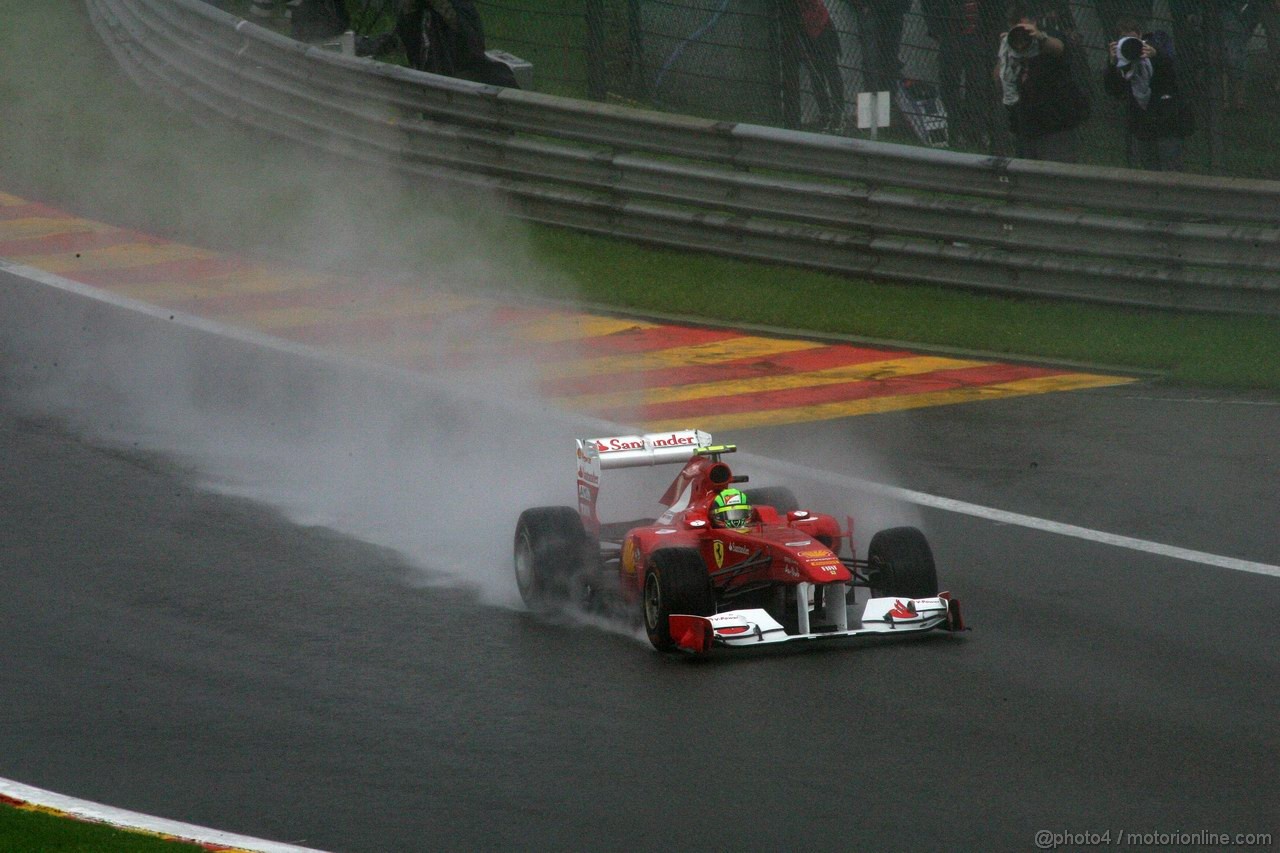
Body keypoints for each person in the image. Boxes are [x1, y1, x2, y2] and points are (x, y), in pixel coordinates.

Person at [995, 3, 1090, 162]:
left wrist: (1039, 37)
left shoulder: (1050, 36)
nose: (1021, 33)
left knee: (1057, 175)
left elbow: (1059, 47)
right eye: (1015, 28)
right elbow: (999, 82)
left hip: (1056, 125)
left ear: (1034, 22)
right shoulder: (1012, 45)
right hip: (1024, 124)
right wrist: (1005, 54)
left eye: (1023, 27)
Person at [1103, 18, 1193, 170]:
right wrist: (1113, 63)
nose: (1130, 44)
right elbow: (1114, 90)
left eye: (1133, 39)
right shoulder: (1122, 62)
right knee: (1149, 169)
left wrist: (1156, 55)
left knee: (1172, 168)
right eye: (1124, 40)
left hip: (1167, 121)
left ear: (1140, 36)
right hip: (1143, 123)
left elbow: (1173, 77)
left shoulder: (1155, 49)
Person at [920, 0, 1005, 150]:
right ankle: (954, 129)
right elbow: (928, 6)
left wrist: (992, 32)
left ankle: (974, 132)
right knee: (950, 84)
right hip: (951, 34)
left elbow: (995, 10)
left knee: (977, 84)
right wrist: (937, 30)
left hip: (978, 36)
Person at [395, 0, 520, 87]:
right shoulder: (415, 13)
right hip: (429, 77)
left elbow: (471, 42)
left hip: (457, 76)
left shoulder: (458, 8)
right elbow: (404, 37)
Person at [781, 0, 845, 132]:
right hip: (806, 30)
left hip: (822, 27)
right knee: (815, 73)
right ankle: (825, 112)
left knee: (831, 71)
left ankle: (839, 113)